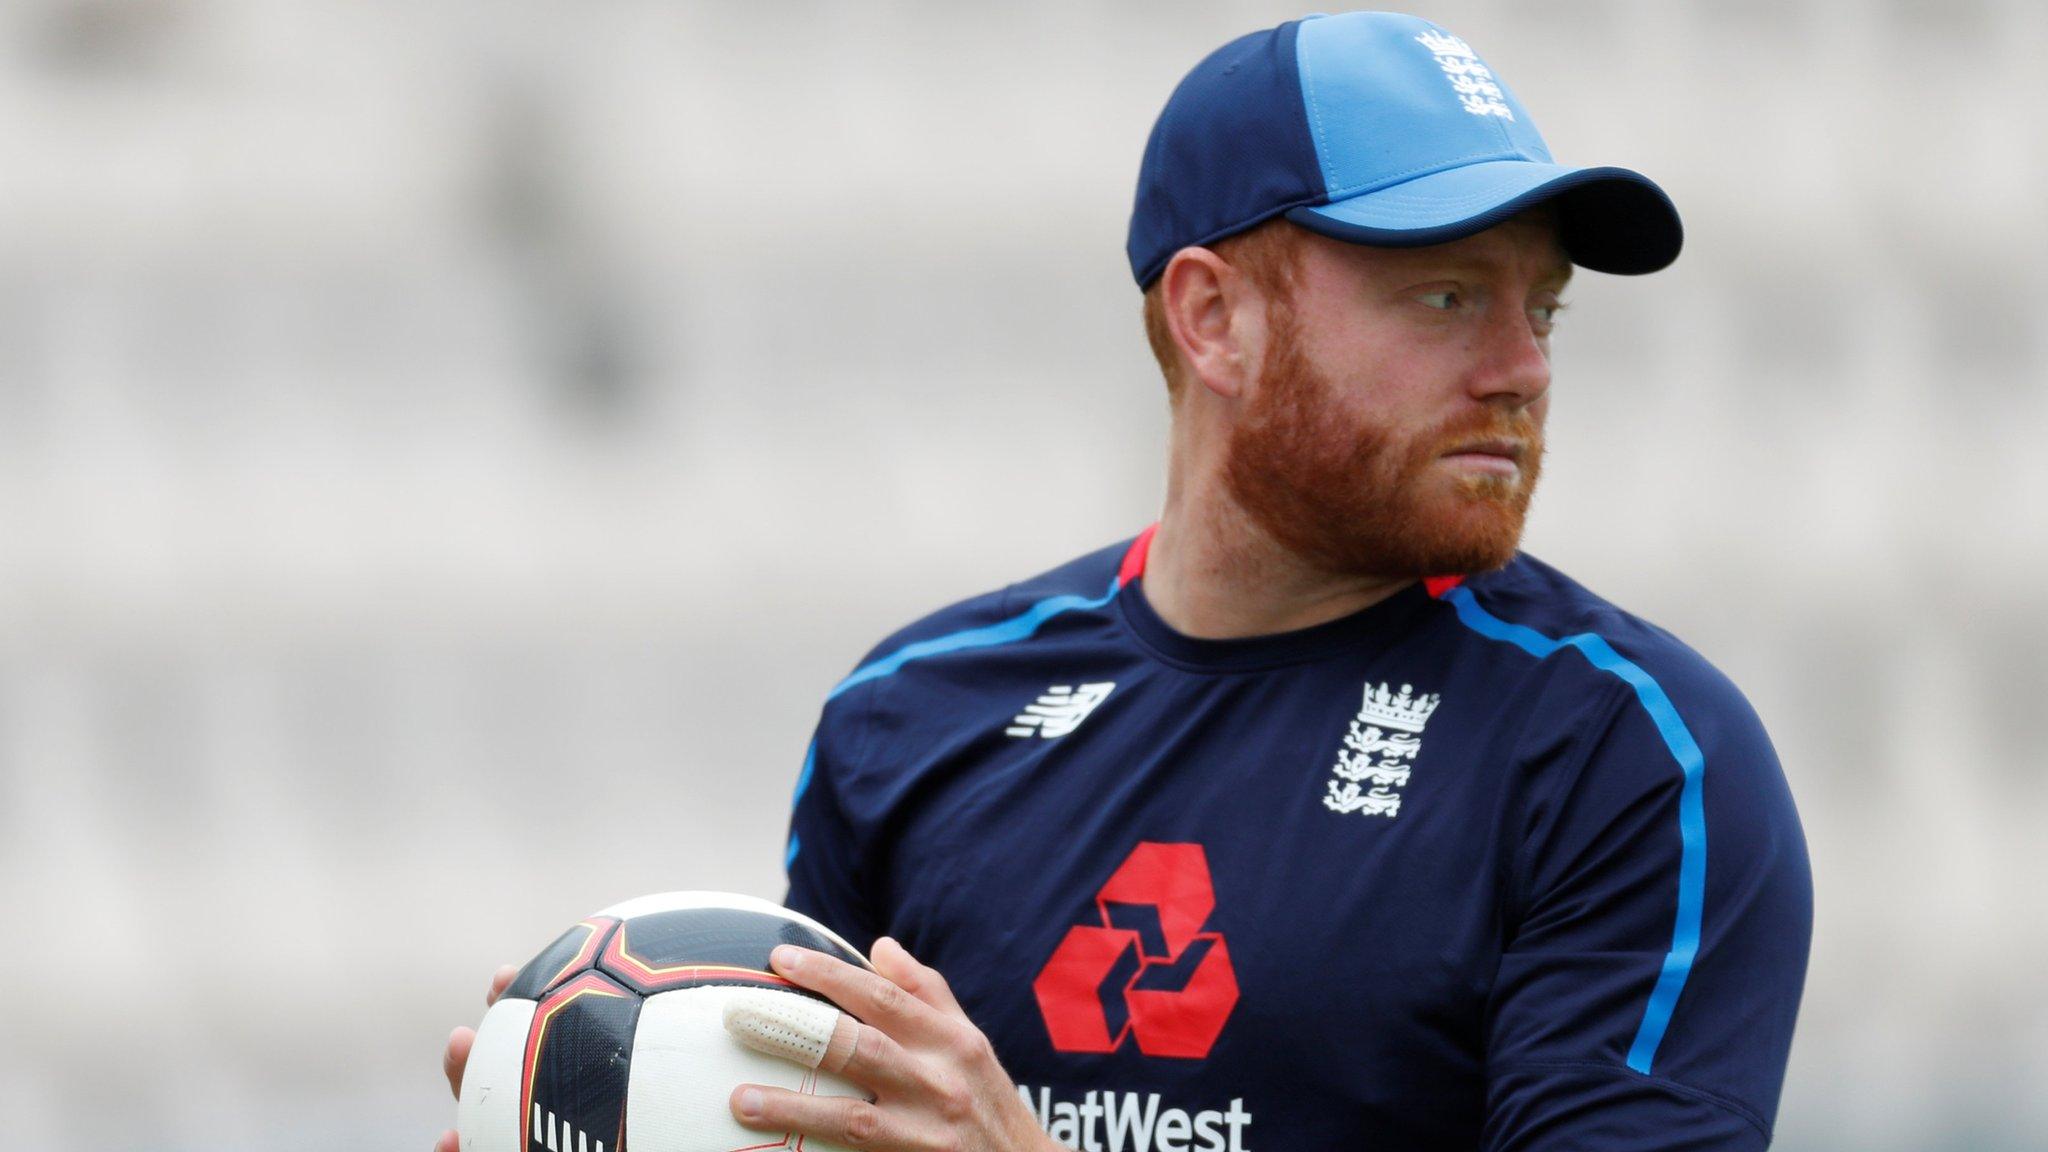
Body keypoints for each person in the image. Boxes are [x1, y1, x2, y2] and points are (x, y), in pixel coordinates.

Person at [439, 11, 1812, 1150]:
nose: (1522, 365)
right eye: (1449, 296)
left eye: (1543, 305)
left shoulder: (1632, 760)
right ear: (1213, 317)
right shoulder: (910, 717)